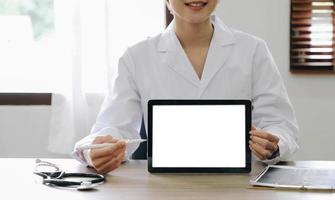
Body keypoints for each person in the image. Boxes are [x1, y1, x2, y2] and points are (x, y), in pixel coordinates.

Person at [73, 0, 299, 174]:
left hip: (239, 184)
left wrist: (274, 145)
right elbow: (112, 128)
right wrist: (99, 151)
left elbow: (280, 124)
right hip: (162, 187)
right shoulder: (137, 56)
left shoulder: (253, 50)